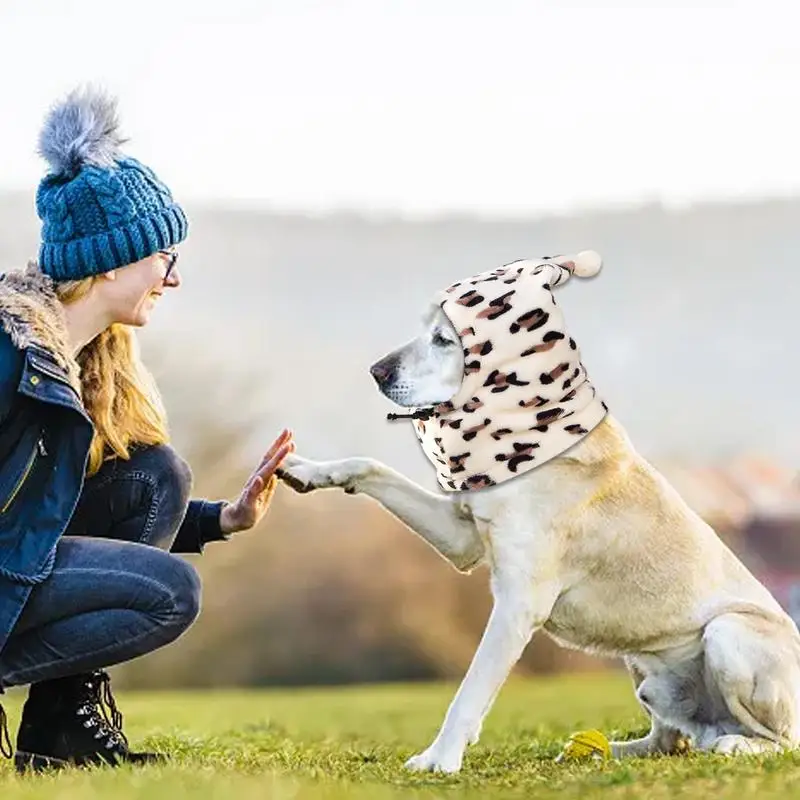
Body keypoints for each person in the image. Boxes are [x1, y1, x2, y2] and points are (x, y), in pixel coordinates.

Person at [0, 86, 294, 773]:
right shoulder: (11, 351)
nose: (173, 278)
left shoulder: (85, 362)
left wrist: (224, 520)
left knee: (153, 476)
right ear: (110, 261)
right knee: (169, 592)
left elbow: (54, 509)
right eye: (163, 257)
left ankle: (61, 729)